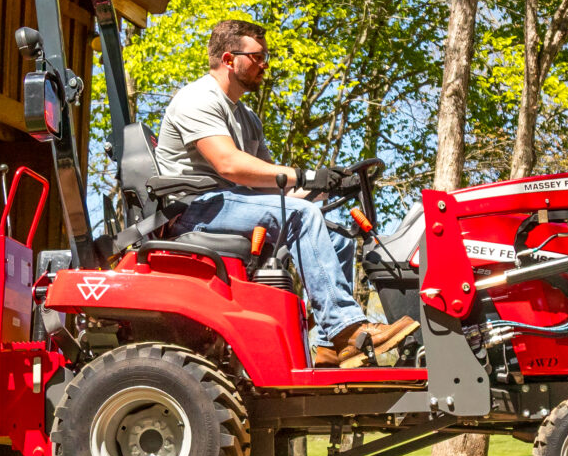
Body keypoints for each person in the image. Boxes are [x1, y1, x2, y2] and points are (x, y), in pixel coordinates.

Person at [154, 18, 417, 367]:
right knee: (302, 217)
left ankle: (330, 347)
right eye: (259, 56)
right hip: (193, 210)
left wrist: (323, 187)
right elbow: (230, 166)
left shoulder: (246, 116)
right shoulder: (197, 98)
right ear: (231, 60)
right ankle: (347, 326)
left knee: (335, 233)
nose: (266, 64)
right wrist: (306, 176)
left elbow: (269, 184)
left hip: (231, 203)